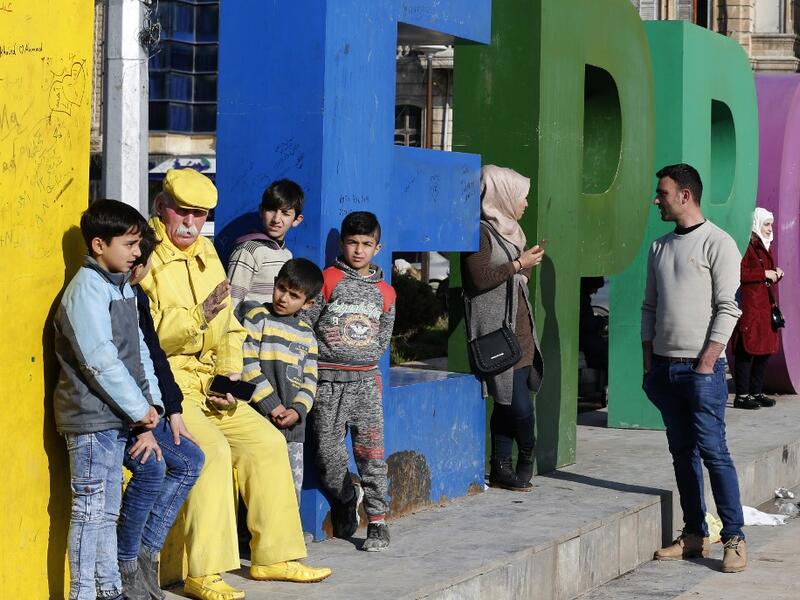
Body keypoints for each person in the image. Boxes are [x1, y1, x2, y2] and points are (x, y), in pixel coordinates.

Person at [139, 169, 330, 600]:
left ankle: (274, 556)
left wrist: (229, 376)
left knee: (265, 441)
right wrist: (198, 317)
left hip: (211, 382)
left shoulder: (207, 251)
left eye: (199, 214)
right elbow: (147, 334)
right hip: (168, 386)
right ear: (160, 207)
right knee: (211, 452)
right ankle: (203, 571)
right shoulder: (146, 258)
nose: (189, 223)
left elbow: (229, 325)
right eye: (182, 213)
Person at [53, 200, 162, 600]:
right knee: (90, 513)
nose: (137, 253)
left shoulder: (118, 287)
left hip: (115, 419)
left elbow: (139, 352)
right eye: (130, 243)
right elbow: (99, 360)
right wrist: (140, 409)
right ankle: (84, 593)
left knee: (106, 512)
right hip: (91, 419)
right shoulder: (85, 290)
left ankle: (109, 588)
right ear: (99, 244)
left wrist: (151, 407)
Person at [641, 163, 747, 573]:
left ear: (685, 195)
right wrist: (650, 360)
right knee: (681, 453)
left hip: (702, 372)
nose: (656, 200)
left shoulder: (718, 243)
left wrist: (706, 362)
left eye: (662, 193)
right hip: (665, 371)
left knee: (714, 452)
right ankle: (694, 534)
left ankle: (734, 536)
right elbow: (649, 307)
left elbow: (730, 306)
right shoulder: (659, 247)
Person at [118, 224, 206, 600]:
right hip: (120, 417)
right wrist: (140, 425)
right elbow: (111, 366)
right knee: (152, 466)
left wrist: (173, 411)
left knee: (190, 458)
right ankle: (126, 563)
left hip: (148, 411)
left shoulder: (135, 294)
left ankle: (145, 554)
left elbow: (153, 354)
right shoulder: (106, 294)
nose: (138, 263)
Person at [305, 211, 396, 551]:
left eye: (366, 244)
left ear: (377, 247)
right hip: (327, 384)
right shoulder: (327, 281)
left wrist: (365, 361)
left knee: (371, 454)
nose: (359, 250)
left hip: (366, 386)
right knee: (327, 458)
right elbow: (307, 324)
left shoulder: (386, 293)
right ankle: (347, 495)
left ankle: (377, 522)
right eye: (352, 243)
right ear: (342, 243)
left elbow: (383, 338)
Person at [461, 164, 545, 492]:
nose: (525, 203)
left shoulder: (511, 230)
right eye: (522, 197)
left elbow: (513, 279)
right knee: (516, 405)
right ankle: (527, 452)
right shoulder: (480, 232)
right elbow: (479, 278)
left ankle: (500, 467)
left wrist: (525, 268)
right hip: (495, 332)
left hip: (519, 329)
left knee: (508, 400)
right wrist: (518, 264)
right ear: (503, 194)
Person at [240, 258, 324, 505]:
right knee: (257, 488)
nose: (283, 298)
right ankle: (250, 542)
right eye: (282, 289)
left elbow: (310, 379)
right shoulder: (256, 317)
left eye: (294, 295)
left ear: (307, 303)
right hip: (259, 420)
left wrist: (297, 411)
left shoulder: (307, 335)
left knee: (288, 490)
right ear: (275, 283)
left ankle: (288, 541)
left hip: (293, 429)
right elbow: (248, 365)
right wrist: (272, 406)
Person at [227, 179, 305, 318]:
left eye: (285, 213)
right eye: (271, 210)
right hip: (250, 335)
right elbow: (231, 302)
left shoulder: (287, 255)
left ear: (297, 220)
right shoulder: (248, 250)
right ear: (261, 211)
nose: (276, 219)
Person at [730, 207, 783, 410]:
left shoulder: (765, 246)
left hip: (765, 308)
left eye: (771, 224)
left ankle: (756, 391)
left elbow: (763, 277)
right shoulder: (747, 246)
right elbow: (739, 273)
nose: (770, 229)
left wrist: (775, 273)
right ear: (756, 225)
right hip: (750, 308)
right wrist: (765, 273)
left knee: (764, 351)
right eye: (766, 224)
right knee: (746, 351)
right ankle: (742, 395)